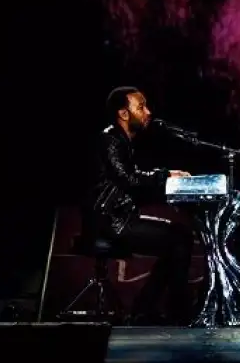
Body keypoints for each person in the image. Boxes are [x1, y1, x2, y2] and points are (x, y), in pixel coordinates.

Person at [81, 86, 196, 325]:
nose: (148, 112)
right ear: (123, 114)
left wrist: (166, 177)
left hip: (118, 218)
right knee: (178, 239)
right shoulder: (110, 140)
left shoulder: (120, 140)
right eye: (141, 107)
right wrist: (165, 176)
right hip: (110, 222)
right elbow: (128, 179)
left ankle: (147, 308)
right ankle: (173, 311)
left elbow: (131, 177)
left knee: (179, 238)